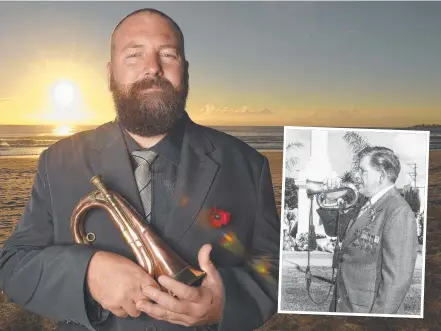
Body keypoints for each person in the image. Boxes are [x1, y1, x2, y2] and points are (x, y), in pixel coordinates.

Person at [0, 8, 280, 331]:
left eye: (168, 55)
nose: (153, 68)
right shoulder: (57, 161)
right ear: (110, 73)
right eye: (134, 55)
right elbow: (13, 264)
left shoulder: (248, 166)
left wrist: (225, 304)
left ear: (185, 71)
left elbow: (274, 269)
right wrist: (88, 274)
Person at [313, 146, 418, 314]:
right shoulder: (363, 203)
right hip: (345, 307)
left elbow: (397, 280)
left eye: (363, 171)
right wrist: (329, 198)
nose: (356, 175)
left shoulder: (398, 211)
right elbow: (337, 231)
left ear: (381, 175)